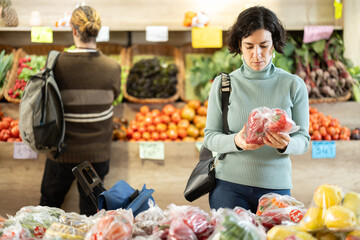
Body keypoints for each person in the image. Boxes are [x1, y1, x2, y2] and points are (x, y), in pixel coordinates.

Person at [203, 6, 310, 213]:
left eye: (263, 45)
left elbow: (304, 140)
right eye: (249, 46)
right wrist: (237, 141)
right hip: (228, 186)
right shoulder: (224, 84)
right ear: (239, 46)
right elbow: (210, 137)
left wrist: (286, 145)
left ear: (274, 45)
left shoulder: (293, 85)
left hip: (276, 189)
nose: (257, 54)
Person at [39, 5, 121, 216]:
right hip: (96, 156)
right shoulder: (112, 67)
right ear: (97, 30)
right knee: (90, 214)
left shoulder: (56, 64)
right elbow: (113, 97)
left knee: (48, 208)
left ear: (73, 30)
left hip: (61, 152)